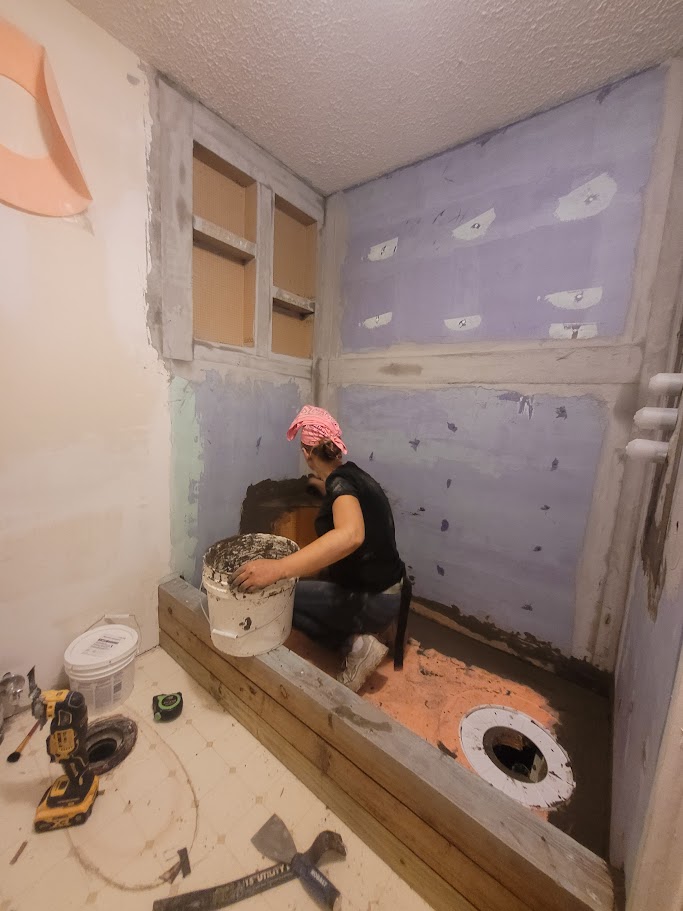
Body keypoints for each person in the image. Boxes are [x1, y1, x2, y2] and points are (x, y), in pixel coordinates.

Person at [231, 405, 411, 692]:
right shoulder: (351, 475)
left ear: (306, 453)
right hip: (393, 587)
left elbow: (351, 535)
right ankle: (368, 627)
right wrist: (324, 486)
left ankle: (358, 645)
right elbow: (350, 499)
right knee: (308, 589)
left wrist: (278, 568)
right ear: (336, 449)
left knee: (284, 600)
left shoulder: (341, 485)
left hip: (374, 599)